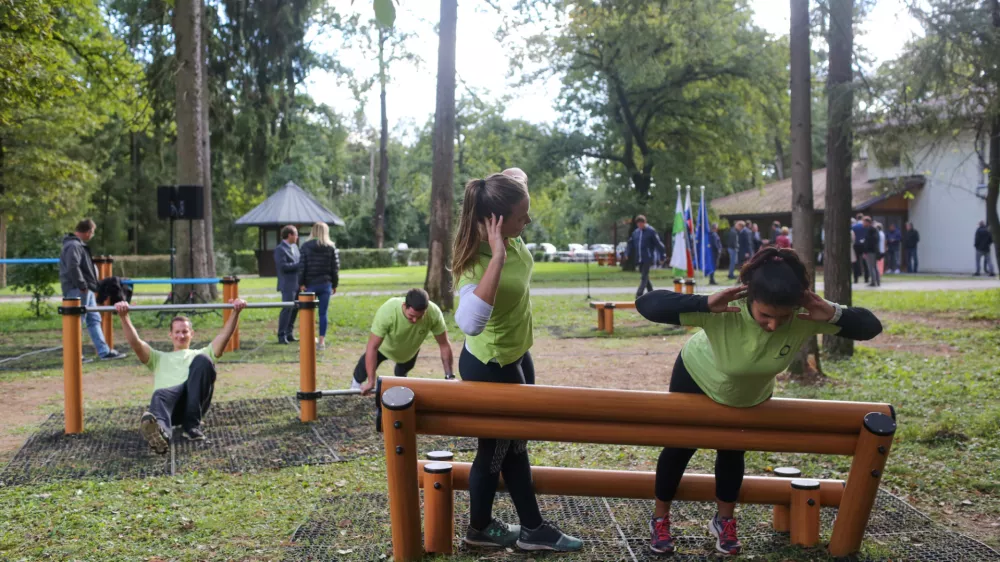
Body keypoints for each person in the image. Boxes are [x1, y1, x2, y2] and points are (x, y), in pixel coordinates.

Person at [635, 247, 882, 556]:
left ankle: (724, 522)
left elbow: (872, 327)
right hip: (697, 376)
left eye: (783, 317)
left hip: (745, 395)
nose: (775, 325)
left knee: (732, 450)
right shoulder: (727, 309)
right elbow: (646, 304)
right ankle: (660, 518)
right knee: (679, 448)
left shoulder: (806, 315)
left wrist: (835, 313)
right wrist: (702, 302)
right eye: (766, 315)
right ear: (749, 299)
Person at [451, 173, 582, 552]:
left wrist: (513, 181)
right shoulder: (477, 260)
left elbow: (516, 176)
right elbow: (470, 323)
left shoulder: (509, 229)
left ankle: (527, 528)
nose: (528, 221)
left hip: (518, 355)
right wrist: (498, 255)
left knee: (515, 447)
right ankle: (488, 529)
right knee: (494, 452)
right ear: (495, 222)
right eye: (521, 217)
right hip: (490, 364)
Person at [114, 298, 248, 452]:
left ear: (192, 333)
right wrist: (124, 317)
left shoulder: (201, 353)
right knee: (160, 394)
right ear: (170, 334)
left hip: (193, 404)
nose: (181, 335)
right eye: (177, 332)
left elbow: (224, 336)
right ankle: (160, 434)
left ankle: (191, 426)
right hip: (169, 408)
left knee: (204, 361)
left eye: (185, 331)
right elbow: (136, 343)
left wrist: (235, 312)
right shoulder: (158, 358)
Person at [354, 288, 454, 392]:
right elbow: (372, 347)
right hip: (384, 348)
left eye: (419, 317)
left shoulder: (433, 313)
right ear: (404, 306)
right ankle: (354, 386)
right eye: (411, 316)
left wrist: (449, 376)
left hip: (409, 353)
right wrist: (371, 382)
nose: (415, 320)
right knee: (361, 371)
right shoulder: (388, 310)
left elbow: (444, 344)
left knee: (401, 376)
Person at [59, 219, 127, 361]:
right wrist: (82, 285)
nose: (92, 235)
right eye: (92, 232)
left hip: (85, 289)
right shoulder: (74, 246)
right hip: (78, 289)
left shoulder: (75, 245)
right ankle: (74, 354)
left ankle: (104, 351)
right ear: (88, 232)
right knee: (77, 321)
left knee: (93, 319)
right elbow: (73, 266)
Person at [298, 222, 340, 350]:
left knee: (307, 313)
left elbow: (302, 267)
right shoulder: (331, 247)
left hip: (310, 285)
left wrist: (301, 283)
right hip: (325, 284)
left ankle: (308, 338)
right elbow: (335, 268)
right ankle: (321, 341)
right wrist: (334, 284)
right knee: (323, 313)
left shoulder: (305, 247)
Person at [629, 215, 667, 298]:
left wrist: (662, 256)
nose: (640, 226)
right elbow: (631, 244)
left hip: (648, 257)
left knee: (644, 276)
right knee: (645, 277)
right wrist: (626, 253)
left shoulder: (651, 231)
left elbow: (658, 244)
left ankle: (639, 294)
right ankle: (651, 293)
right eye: (638, 224)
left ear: (644, 223)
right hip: (639, 258)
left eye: (641, 224)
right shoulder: (636, 233)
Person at [274, 225, 300, 344]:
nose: (297, 237)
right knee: (287, 309)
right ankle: (281, 335)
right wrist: (300, 265)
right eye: (295, 234)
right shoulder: (280, 249)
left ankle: (289, 333)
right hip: (287, 285)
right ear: (289, 235)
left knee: (295, 309)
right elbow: (283, 267)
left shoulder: (295, 247)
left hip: (297, 284)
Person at [862, 216, 881, 287]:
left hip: (870, 251)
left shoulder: (871, 230)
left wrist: (865, 251)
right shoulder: (874, 230)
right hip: (873, 250)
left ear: (867, 222)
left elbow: (869, 242)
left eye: (864, 222)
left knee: (871, 266)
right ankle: (877, 281)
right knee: (874, 266)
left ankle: (873, 281)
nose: (863, 223)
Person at [852, 214, 868, 283]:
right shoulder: (865, 227)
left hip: (856, 245)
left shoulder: (853, 227)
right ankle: (866, 278)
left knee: (856, 262)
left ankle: (856, 278)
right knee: (865, 263)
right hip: (864, 245)